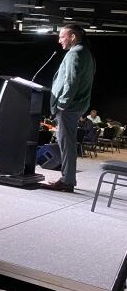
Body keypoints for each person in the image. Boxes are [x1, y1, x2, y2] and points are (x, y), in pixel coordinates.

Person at [43, 24, 95, 192]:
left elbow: (71, 82)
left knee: (67, 144)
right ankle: (67, 178)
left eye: (62, 37)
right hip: (76, 106)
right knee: (68, 143)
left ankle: (67, 181)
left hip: (69, 107)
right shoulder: (86, 54)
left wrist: (62, 104)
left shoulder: (75, 54)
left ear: (72, 36)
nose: (59, 41)